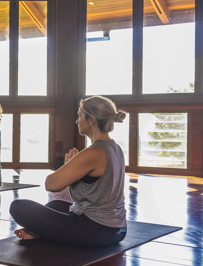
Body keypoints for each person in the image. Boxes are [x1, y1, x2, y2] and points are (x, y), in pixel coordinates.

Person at [9, 95, 128, 247]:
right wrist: (73, 168)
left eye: (80, 116)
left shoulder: (93, 153)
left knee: (18, 207)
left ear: (91, 119)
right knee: (56, 205)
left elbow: (51, 184)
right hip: (117, 228)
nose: (77, 121)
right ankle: (38, 231)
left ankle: (39, 230)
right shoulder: (115, 147)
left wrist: (69, 165)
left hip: (99, 231)